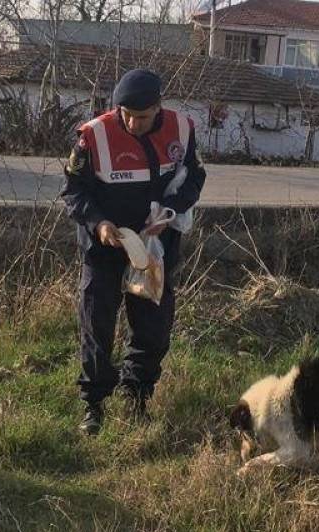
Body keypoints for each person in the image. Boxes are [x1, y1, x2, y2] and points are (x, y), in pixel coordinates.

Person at [60, 68, 206, 436]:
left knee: (154, 328)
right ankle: (93, 404)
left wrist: (169, 211)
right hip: (105, 246)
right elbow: (73, 191)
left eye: (141, 117)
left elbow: (194, 177)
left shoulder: (183, 129)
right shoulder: (92, 136)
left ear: (158, 108)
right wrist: (98, 223)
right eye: (125, 114)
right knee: (97, 325)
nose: (132, 123)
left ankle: (137, 395)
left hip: (155, 246)